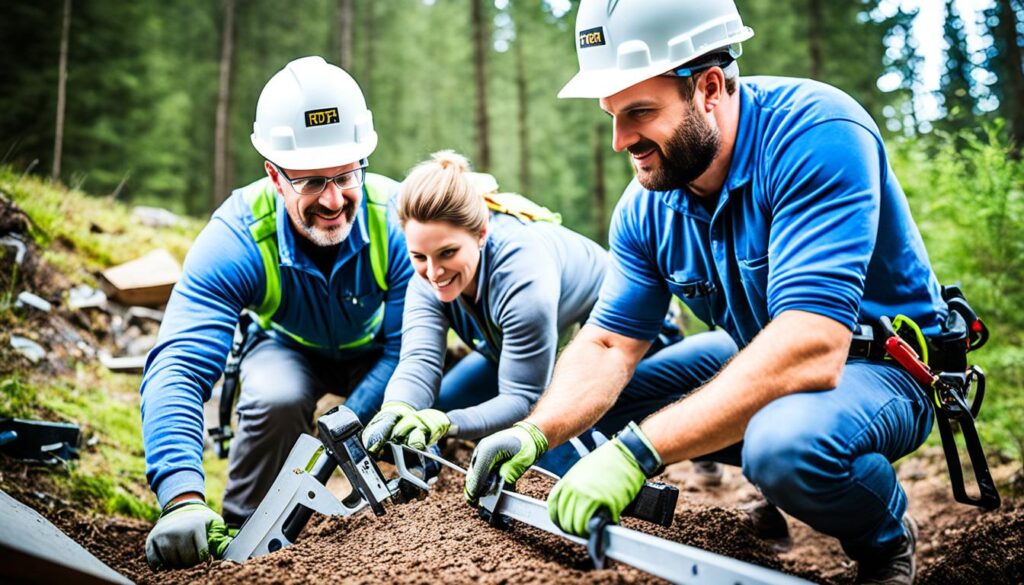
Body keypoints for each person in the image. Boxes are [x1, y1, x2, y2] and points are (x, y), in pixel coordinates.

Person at [465, 2, 948, 583]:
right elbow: (608, 346)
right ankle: (772, 498)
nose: (622, 140)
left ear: (709, 87)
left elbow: (811, 345)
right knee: (599, 406)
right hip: (758, 352)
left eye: (640, 112)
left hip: (884, 363)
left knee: (782, 448)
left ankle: (884, 538)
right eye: (612, 114)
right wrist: (535, 431)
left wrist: (636, 454)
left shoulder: (818, 135)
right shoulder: (646, 205)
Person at [141, 56, 412, 570]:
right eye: (311, 181)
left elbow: (406, 348)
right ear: (274, 175)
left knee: (407, 408)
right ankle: (242, 537)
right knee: (274, 396)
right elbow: (178, 364)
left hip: (379, 355)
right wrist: (180, 496)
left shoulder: (396, 219)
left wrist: (344, 428)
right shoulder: (237, 236)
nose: (333, 200)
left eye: (346, 175)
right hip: (287, 348)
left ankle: (414, 519)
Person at [359, 150, 612, 472]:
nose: (434, 273)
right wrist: (396, 408)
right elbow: (418, 360)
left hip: (619, 340)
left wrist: (449, 424)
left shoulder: (522, 276)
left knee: (541, 439)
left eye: (447, 252)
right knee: (438, 408)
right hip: (515, 348)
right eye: (419, 256)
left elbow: (522, 399)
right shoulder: (426, 278)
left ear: (481, 233)